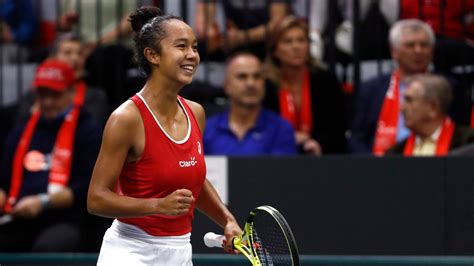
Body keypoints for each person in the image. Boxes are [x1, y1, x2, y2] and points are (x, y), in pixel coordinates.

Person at [87, 7, 241, 265]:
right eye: (181, 46)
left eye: (194, 47)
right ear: (152, 55)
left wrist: (227, 219)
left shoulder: (196, 113)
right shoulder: (126, 119)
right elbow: (96, 199)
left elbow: (194, 181)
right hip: (129, 251)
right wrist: (156, 206)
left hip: (180, 251)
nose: (192, 55)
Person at [0, 59, 101, 251]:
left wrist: (43, 202)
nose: (47, 102)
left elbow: (87, 186)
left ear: (72, 92)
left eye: (55, 95)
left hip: (65, 220)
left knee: (48, 246)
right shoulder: (22, 131)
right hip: (17, 217)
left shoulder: (88, 131)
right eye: (42, 95)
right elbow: (4, 178)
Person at [349, 19, 436, 155]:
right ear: (394, 51)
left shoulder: (448, 88)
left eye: (424, 45)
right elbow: (357, 138)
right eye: (410, 45)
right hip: (378, 168)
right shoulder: (371, 89)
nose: (418, 50)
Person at [263, 16, 348, 155]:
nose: (296, 47)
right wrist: (288, 139)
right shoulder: (266, 86)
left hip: (321, 158)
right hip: (276, 158)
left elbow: (338, 129)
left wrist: (316, 143)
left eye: (301, 40)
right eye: (288, 42)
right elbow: (262, 130)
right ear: (275, 50)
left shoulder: (326, 82)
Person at [204, 52, 297, 155]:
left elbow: (283, 170)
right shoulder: (207, 130)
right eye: (242, 77)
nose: (251, 83)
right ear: (226, 86)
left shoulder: (281, 130)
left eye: (257, 77)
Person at [386, 74, 474, 156]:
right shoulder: (395, 153)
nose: (402, 108)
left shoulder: (468, 143)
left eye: (409, 100)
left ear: (433, 108)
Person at [194, 0, 288, 59]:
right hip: (234, 47)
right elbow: (203, 24)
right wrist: (211, 33)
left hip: (270, 49)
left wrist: (241, 37)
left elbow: (278, 24)